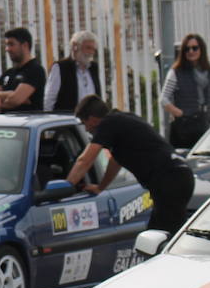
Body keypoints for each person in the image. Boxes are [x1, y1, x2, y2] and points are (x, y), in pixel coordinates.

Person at [67, 95, 195, 234]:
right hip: (180, 176)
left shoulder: (108, 123)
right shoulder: (122, 119)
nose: (86, 129)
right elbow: (115, 162)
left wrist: (65, 186)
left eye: (84, 123)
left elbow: (85, 160)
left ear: (92, 119)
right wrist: (101, 187)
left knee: (163, 237)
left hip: (169, 180)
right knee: (157, 235)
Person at [161, 33, 210, 149]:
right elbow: (164, 99)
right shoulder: (176, 72)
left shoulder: (209, 72)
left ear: (201, 49)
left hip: (202, 125)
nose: (191, 51)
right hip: (182, 127)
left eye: (195, 48)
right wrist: (180, 114)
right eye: (187, 49)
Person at [44, 30, 100, 113]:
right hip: (67, 121)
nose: (91, 52)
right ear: (75, 46)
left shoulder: (93, 68)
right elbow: (50, 98)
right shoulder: (61, 67)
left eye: (93, 49)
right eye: (88, 48)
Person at [0, 27, 46, 112]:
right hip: (5, 123)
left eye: (11, 44)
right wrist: (10, 94)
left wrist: (1, 99)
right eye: (6, 45)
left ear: (25, 45)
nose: (7, 49)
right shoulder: (8, 73)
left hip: (27, 122)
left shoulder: (35, 70)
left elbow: (15, 100)